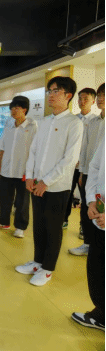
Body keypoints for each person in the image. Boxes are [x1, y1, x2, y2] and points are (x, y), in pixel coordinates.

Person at [16, 76, 83, 287]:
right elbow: (34, 151)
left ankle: (47, 269)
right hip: (37, 183)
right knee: (39, 226)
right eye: (49, 91)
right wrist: (30, 176)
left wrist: (46, 181)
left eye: (56, 91)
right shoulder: (44, 122)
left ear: (68, 95)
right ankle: (37, 262)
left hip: (57, 187)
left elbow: (70, 159)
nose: (51, 95)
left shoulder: (74, 124)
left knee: (53, 228)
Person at [0, 96, 38, 238]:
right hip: (7, 168)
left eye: (17, 108)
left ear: (25, 109)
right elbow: (3, 147)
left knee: (22, 201)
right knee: (4, 198)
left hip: (23, 170)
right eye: (12, 108)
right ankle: (3, 222)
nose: (13, 111)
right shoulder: (9, 124)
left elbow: (36, 151)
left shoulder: (32, 126)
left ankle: (20, 227)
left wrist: (32, 172)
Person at [71, 138, 105, 332]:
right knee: (96, 267)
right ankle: (102, 315)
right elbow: (95, 167)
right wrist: (92, 200)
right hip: (100, 214)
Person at [69, 84, 104, 256]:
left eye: (104, 96)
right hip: (90, 173)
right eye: (100, 95)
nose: (101, 99)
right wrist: (82, 172)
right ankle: (88, 243)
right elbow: (85, 148)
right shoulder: (93, 122)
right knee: (87, 207)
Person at [64, 87, 98, 232]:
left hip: (86, 167)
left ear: (93, 101)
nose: (82, 102)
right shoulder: (73, 120)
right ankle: (64, 219)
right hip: (71, 166)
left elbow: (92, 146)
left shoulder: (95, 121)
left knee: (86, 198)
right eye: (80, 99)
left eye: (86, 99)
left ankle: (83, 227)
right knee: (67, 193)